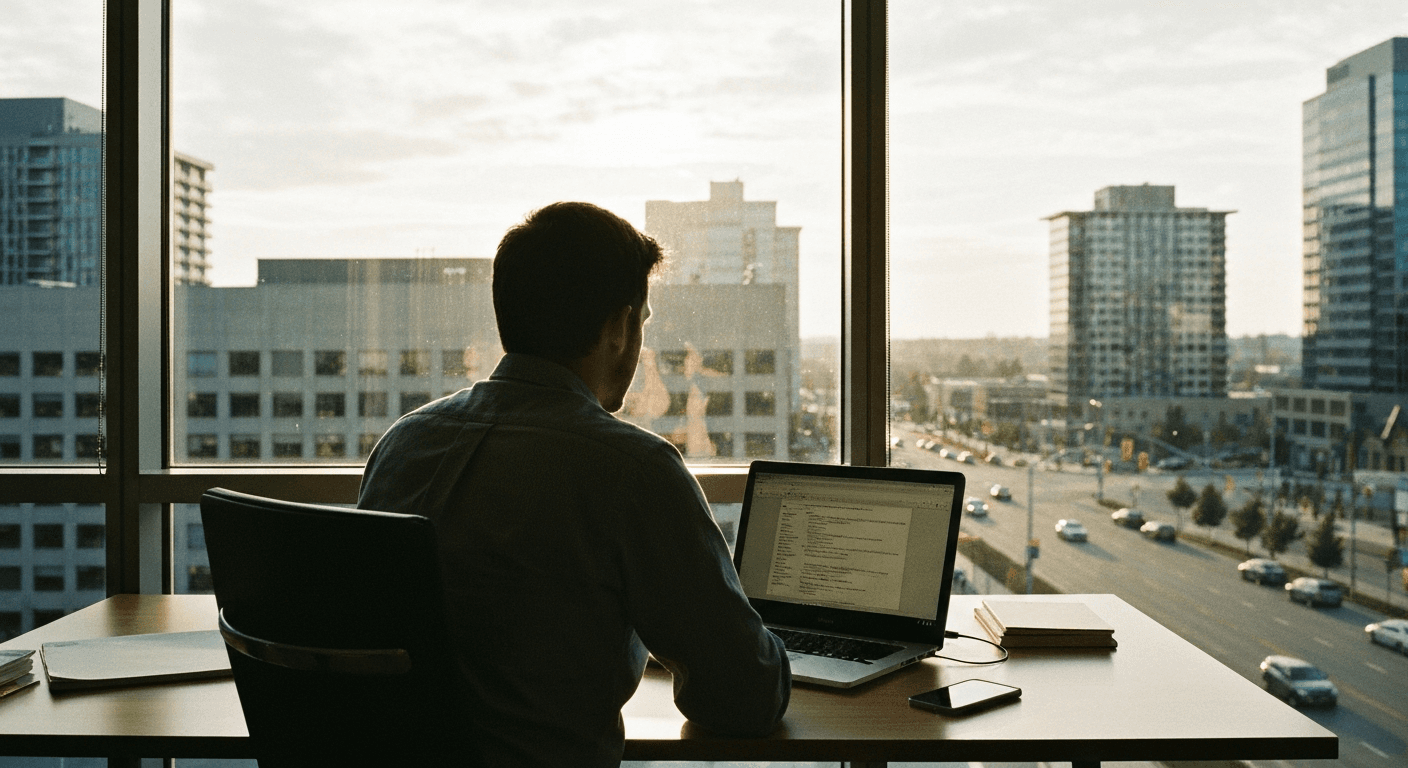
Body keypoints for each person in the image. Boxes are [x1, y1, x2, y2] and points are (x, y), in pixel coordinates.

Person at [357, 202, 791, 767]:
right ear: (618, 328)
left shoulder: (404, 443)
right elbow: (742, 698)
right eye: (642, 323)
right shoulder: (635, 470)